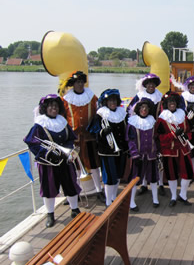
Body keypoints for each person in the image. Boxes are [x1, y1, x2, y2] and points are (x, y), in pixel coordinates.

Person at [24, 94, 81, 228]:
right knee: (49, 188)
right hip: (48, 163)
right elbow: (32, 142)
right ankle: (50, 214)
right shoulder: (39, 125)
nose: (53, 108)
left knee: (70, 184)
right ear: (45, 108)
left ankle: (75, 209)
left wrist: (67, 149)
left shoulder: (62, 122)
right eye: (50, 106)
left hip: (65, 160)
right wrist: (48, 154)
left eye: (56, 106)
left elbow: (70, 138)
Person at [60, 71, 104, 201]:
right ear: (72, 84)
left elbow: (100, 112)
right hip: (74, 140)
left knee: (94, 165)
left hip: (89, 137)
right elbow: (62, 119)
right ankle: (76, 193)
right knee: (76, 167)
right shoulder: (65, 100)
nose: (79, 84)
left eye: (81, 82)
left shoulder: (92, 97)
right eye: (76, 82)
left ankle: (99, 191)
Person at [127, 73, 166, 196]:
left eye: (153, 84)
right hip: (143, 129)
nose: (151, 85)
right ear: (145, 85)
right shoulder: (139, 96)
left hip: (156, 128)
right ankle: (144, 184)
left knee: (157, 158)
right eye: (149, 83)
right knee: (143, 157)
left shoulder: (160, 97)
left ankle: (160, 184)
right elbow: (131, 110)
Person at [88, 89, 128, 207]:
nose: (113, 102)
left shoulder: (122, 113)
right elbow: (93, 132)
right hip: (107, 151)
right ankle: (108, 201)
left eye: (114, 100)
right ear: (105, 102)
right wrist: (102, 132)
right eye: (110, 100)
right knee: (109, 176)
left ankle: (114, 197)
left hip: (120, 149)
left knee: (118, 175)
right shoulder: (100, 115)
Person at [155, 91, 194, 206]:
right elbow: (160, 137)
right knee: (171, 175)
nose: (172, 104)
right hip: (169, 151)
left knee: (187, 174)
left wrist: (187, 136)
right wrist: (173, 135)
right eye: (170, 102)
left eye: (174, 102)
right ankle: (173, 196)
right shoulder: (162, 119)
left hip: (183, 149)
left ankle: (183, 195)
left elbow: (189, 131)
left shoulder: (183, 115)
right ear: (166, 104)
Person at [126, 98, 160, 211]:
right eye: (142, 108)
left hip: (151, 154)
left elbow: (156, 138)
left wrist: (157, 151)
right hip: (138, 156)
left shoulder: (152, 121)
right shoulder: (132, 122)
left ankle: (155, 199)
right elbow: (130, 140)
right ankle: (131, 202)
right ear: (138, 109)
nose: (144, 110)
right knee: (135, 178)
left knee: (154, 177)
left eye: (146, 108)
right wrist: (134, 154)